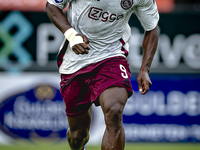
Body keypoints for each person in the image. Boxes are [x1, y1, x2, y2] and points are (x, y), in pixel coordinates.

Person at [46, 0, 159, 149]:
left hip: (112, 56)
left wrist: (145, 69)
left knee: (115, 111)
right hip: (75, 60)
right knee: (78, 135)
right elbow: (52, 6)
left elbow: (151, 28)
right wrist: (72, 36)